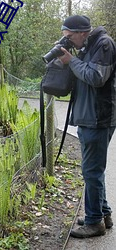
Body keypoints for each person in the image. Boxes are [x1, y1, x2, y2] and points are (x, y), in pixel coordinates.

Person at [58, 15, 116, 238]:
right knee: (93, 171)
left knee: (91, 171)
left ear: (82, 32)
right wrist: (68, 60)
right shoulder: (87, 46)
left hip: (98, 118)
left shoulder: (104, 44)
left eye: (70, 37)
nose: (69, 41)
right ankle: (103, 214)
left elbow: (95, 77)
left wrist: (71, 61)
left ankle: (94, 223)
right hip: (88, 117)